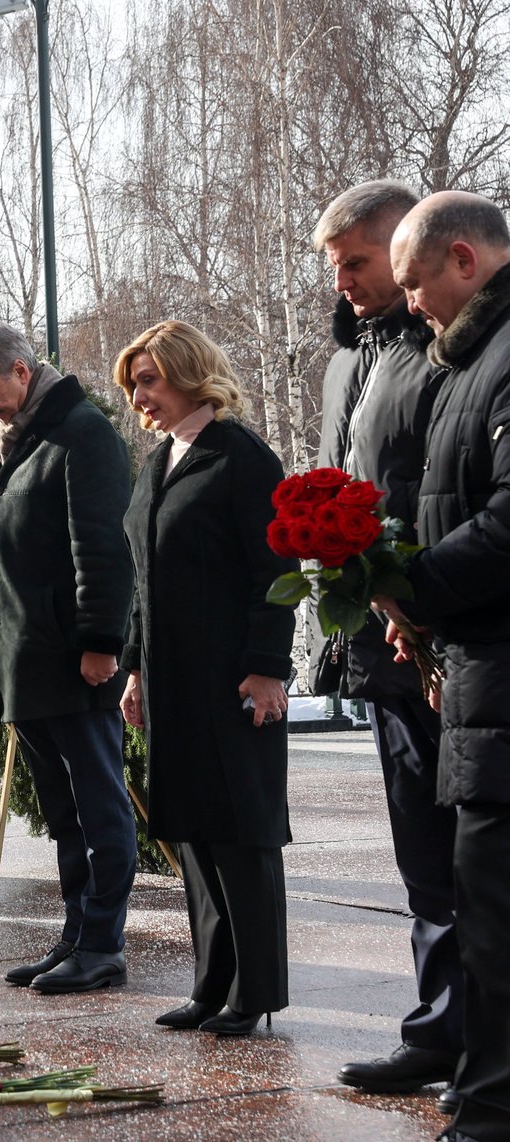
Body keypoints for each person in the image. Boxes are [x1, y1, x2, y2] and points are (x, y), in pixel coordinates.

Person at [310, 181, 465, 1100]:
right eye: (336, 267)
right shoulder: (346, 363)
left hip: (441, 637)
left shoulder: (441, 350)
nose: (348, 283)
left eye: (359, 263)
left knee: (468, 856)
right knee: (423, 855)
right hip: (381, 641)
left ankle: (475, 1040)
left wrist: (421, 607)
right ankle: (440, 1029)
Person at [115, 321, 296, 1036]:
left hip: (231, 679)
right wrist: (133, 668)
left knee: (240, 836)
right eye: (134, 383)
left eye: (150, 379)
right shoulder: (161, 459)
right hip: (171, 680)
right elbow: (143, 577)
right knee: (192, 831)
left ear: (191, 373)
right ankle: (210, 985)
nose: (140, 396)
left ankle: (255, 994)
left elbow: (275, 572)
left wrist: (266, 668)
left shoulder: (242, 457)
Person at [0, 322, 138, 994]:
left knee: (98, 808)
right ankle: (75, 933)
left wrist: (99, 643)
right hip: (25, 662)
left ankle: (104, 942)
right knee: (63, 811)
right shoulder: (12, 438)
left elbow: (103, 548)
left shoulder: (81, 433)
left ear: (23, 370)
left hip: (73, 659)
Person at [379, 190, 510, 1142]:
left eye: (417, 282)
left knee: (497, 908)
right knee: (483, 900)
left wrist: (414, 586)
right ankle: (483, 1085)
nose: (410, 301)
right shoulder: (467, 359)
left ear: (463, 260)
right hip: (478, 674)